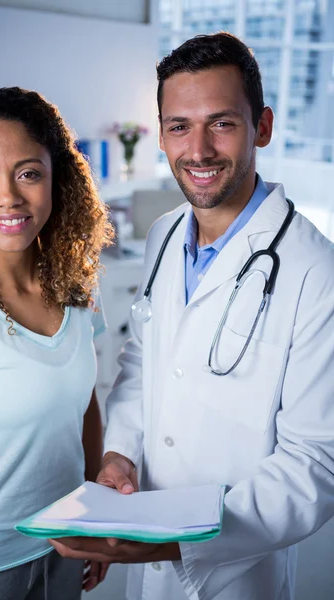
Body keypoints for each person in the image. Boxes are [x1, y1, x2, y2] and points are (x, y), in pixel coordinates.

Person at [49, 33, 334, 600]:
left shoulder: (314, 270)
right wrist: (119, 454)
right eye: (179, 126)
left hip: (236, 572)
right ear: (160, 134)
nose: (198, 149)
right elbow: (141, 363)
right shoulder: (165, 234)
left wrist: (168, 542)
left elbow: (316, 466)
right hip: (145, 545)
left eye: (222, 123)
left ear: (264, 127)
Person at [0, 87, 113, 600]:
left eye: (29, 173)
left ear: (57, 176)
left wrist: (94, 518)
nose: (9, 196)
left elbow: (83, 406)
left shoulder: (76, 282)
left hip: (66, 543)